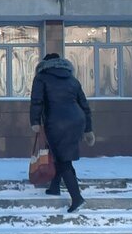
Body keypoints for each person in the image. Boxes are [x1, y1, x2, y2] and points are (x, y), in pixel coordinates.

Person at [29, 53, 95, 213]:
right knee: (60, 154)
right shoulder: (72, 79)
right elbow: (84, 104)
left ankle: (77, 198)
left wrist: (35, 122)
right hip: (77, 120)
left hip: (56, 122)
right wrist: (88, 129)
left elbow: (37, 101)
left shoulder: (41, 77)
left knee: (63, 160)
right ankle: (55, 187)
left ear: (45, 64)